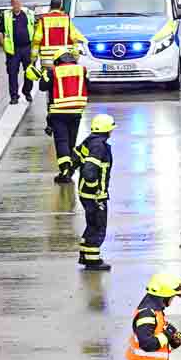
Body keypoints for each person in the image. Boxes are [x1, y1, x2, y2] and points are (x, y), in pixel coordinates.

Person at [75, 114, 116, 270]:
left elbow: (76, 157)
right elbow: (89, 171)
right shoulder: (99, 147)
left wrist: (67, 170)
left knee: (92, 224)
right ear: (107, 130)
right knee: (98, 226)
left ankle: (86, 255)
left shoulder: (90, 141)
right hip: (94, 195)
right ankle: (93, 261)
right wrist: (95, 189)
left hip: (86, 193)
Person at [45, 52, 88, 182]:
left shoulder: (54, 71)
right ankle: (70, 169)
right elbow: (88, 86)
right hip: (76, 111)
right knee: (71, 142)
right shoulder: (82, 70)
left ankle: (65, 172)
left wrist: (43, 76)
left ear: (57, 60)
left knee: (62, 141)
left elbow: (43, 87)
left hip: (58, 112)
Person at [0, 0, 37, 105]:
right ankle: (14, 96)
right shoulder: (6, 16)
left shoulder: (28, 14)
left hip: (27, 47)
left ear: (21, 4)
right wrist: (3, 45)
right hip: (13, 50)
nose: (17, 6)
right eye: (15, 4)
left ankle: (27, 91)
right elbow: (0, 31)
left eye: (19, 3)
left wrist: (35, 46)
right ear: (12, 4)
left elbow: (35, 27)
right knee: (12, 73)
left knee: (29, 72)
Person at [33, 0, 85, 69]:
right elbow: (74, 38)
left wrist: (33, 58)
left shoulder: (43, 19)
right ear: (60, 7)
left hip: (47, 59)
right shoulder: (66, 18)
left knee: (48, 78)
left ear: (50, 7)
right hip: (64, 58)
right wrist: (76, 56)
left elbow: (36, 39)